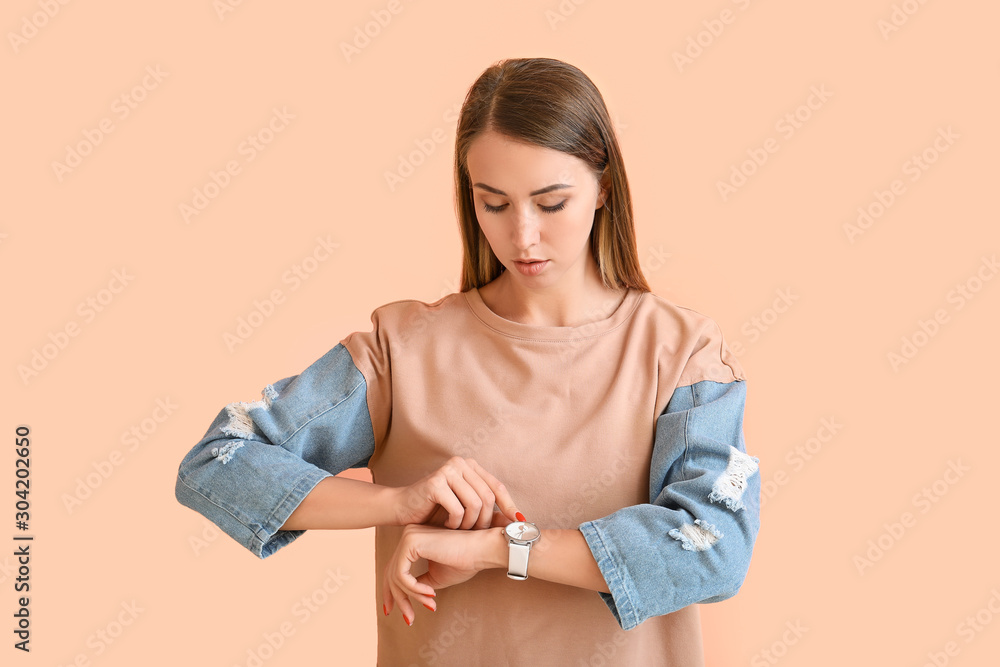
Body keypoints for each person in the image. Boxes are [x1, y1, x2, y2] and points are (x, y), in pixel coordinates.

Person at [175, 56, 760, 666]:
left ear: (603, 186)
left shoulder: (683, 354)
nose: (523, 236)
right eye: (495, 204)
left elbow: (713, 544)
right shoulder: (401, 350)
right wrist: (398, 503)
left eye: (551, 203)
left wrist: (501, 549)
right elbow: (217, 461)